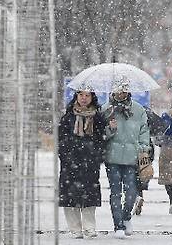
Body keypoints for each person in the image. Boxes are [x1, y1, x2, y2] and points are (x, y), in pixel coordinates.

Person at [102, 83, 150, 238]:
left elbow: (144, 130)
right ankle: (118, 225)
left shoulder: (138, 109)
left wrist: (143, 148)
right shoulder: (106, 109)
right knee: (115, 193)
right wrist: (110, 129)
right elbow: (100, 135)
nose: (121, 93)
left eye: (124, 90)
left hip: (132, 157)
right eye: (118, 90)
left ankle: (126, 216)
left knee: (131, 192)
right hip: (113, 157)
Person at [58, 90, 107, 239]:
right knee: (70, 196)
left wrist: (96, 155)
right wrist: (66, 155)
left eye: (87, 95)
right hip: (70, 162)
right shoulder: (68, 117)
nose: (84, 98)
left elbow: (101, 139)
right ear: (76, 97)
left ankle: (89, 228)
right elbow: (61, 139)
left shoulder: (98, 117)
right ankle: (75, 228)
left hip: (90, 162)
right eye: (81, 95)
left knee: (89, 195)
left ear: (92, 98)